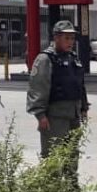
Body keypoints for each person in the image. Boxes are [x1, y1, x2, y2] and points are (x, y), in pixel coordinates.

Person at [26, 20, 89, 164]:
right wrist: (40, 115)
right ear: (56, 38)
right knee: (52, 156)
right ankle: (51, 186)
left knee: (72, 154)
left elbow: (80, 85)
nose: (70, 42)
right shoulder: (45, 59)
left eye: (72, 38)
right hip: (54, 117)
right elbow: (37, 87)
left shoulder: (73, 58)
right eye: (66, 38)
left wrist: (84, 107)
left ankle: (71, 185)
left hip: (73, 114)